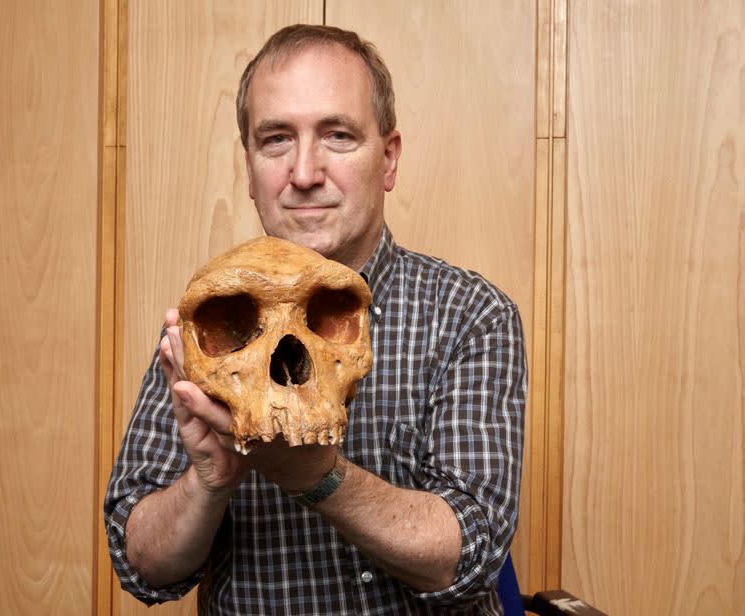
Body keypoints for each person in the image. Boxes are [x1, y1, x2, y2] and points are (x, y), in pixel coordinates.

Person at [105, 24, 526, 615]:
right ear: (249, 169)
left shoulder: (471, 316)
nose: (304, 172)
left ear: (389, 159)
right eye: (276, 140)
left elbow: (471, 553)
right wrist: (207, 484)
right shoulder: (208, 327)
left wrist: (317, 476)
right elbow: (139, 563)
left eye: (338, 135)